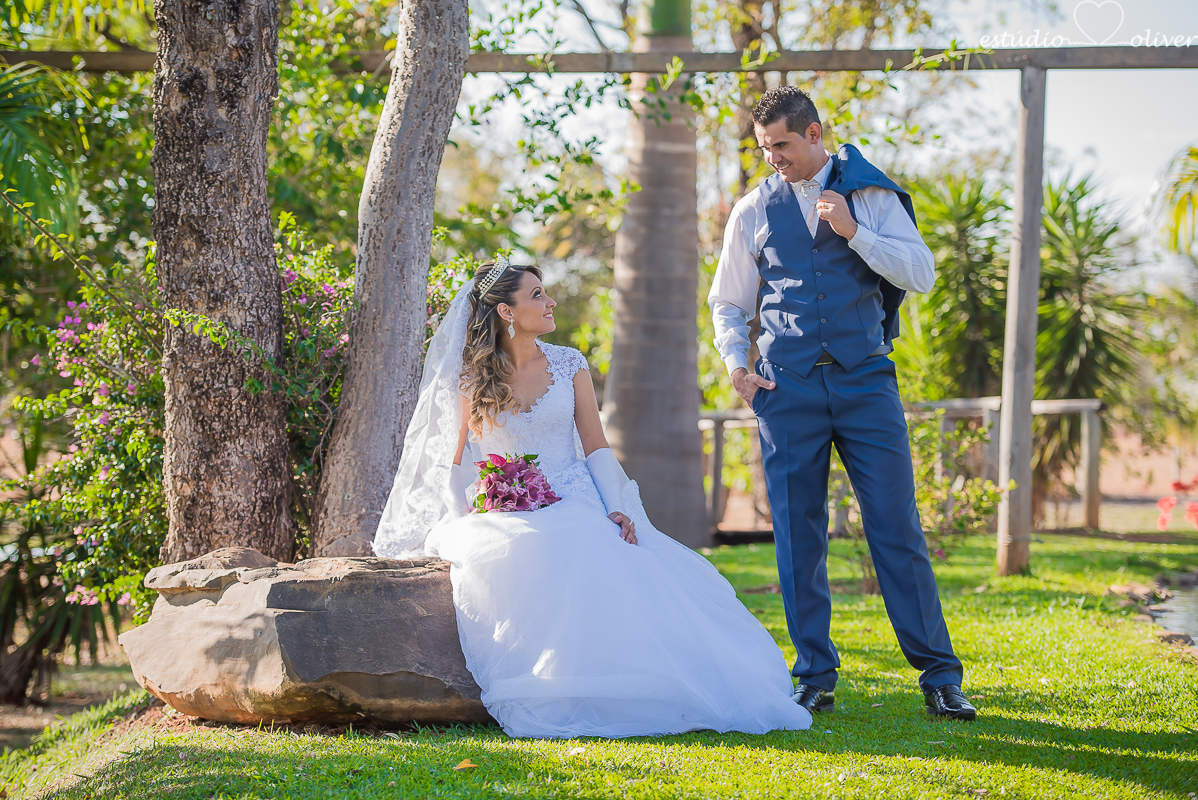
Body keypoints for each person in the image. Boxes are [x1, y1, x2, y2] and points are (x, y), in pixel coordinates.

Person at [372, 256, 812, 739]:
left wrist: (615, 506)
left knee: (588, 539)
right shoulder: (470, 376)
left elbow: (596, 446)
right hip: (504, 507)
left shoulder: (569, 364)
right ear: (506, 312)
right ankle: (551, 681)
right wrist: (462, 517)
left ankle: (641, 681)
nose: (550, 301)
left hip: (575, 493)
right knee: (520, 547)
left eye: (545, 291)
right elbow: (453, 461)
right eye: (536, 294)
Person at [708, 86, 976, 721]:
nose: (773, 158)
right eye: (764, 148)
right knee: (797, 536)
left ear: (815, 133)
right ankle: (814, 675)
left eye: (782, 145)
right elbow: (728, 300)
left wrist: (855, 232)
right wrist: (738, 368)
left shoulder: (871, 195)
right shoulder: (752, 208)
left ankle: (940, 677)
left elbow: (920, 272)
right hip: (786, 389)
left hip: (865, 383)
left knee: (896, 528)